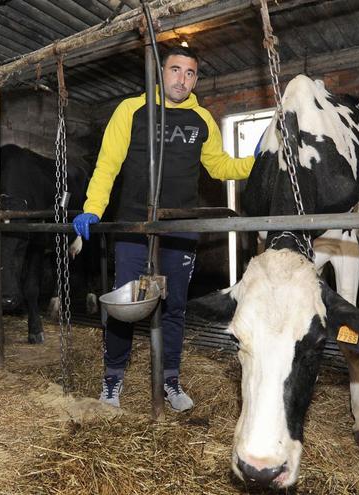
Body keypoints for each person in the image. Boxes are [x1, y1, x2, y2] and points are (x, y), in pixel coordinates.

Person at [72, 46, 255, 412]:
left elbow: (219, 167)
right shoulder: (132, 110)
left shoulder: (201, 119)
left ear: (196, 79)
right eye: (175, 70)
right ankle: (112, 381)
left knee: (174, 306)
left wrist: (260, 159)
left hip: (181, 229)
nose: (181, 79)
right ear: (161, 73)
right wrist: (92, 208)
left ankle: (170, 379)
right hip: (135, 225)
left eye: (189, 73)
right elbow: (108, 163)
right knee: (126, 304)